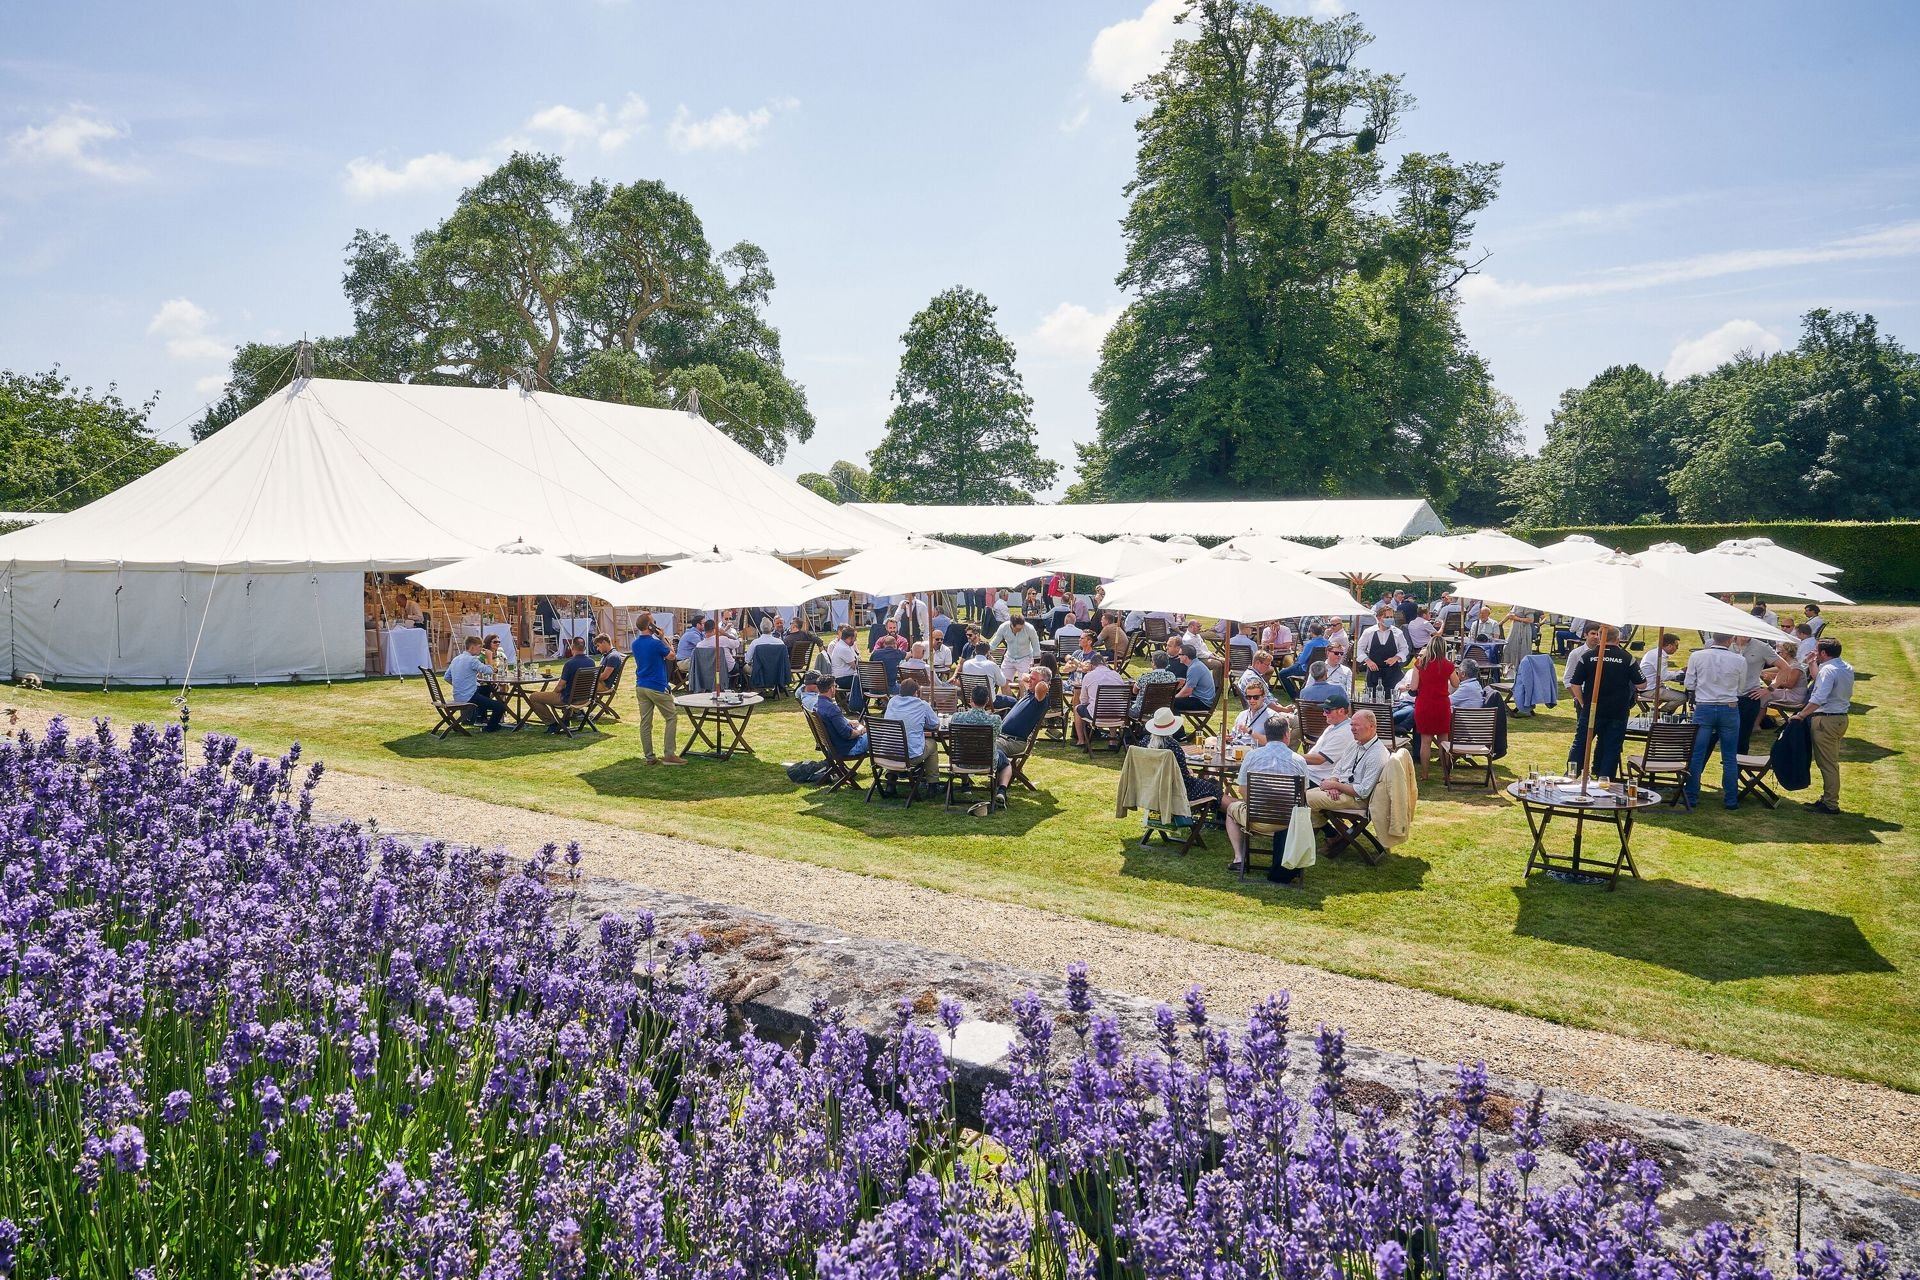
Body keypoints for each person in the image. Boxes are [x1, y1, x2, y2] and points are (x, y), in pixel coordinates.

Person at [1224, 716, 1309, 876]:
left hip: (1255, 819)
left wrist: (1256, 807)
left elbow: (1243, 790)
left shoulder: (1252, 756)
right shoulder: (1299, 761)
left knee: (1230, 809)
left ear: (1267, 734)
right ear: (1287, 734)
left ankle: (1239, 858)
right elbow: (1303, 794)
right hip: (1288, 824)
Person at [1568, 625, 1643, 782]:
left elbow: (1574, 683)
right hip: (1617, 710)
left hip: (1593, 708)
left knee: (1581, 742)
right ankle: (1605, 779)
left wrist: (1583, 702)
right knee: (1612, 745)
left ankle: (1571, 774)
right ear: (1618, 639)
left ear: (1600, 637)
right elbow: (1642, 685)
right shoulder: (1627, 658)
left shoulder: (1588, 656)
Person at [1682, 633, 1747, 809]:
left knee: (1697, 754)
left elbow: (1689, 684)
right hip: (1729, 707)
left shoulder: (1697, 656)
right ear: (1730, 640)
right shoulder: (1739, 659)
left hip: (1705, 706)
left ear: (1712, 640)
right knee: (1729, 756)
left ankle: (1691, 795)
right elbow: (1742, 688)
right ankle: (1731, 799)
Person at [1791, 637, 1853, 814]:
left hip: (1826, 720)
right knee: (1829, 762)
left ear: (1824, 653)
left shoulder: (1828, 671)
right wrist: (1812, 663)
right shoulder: (1844, 667)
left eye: (1817, 651)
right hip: (1839, 718)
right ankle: (1827, 798)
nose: (1815, 653)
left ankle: (1830, 803)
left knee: (1828, 764)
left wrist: (1801, 714)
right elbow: (1823, 681)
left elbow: (1819, 697)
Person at [1305, 708, 1388, 829]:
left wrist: (1336, 786)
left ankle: (1310, 834)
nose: (1352, 729)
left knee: (1305, 798)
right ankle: (1333, 832)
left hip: (1357, 800)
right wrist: (1334, 782)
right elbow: (1339, 768)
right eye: (1351, 725)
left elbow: (1363, 792)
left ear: (1371, 726)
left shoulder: (1377, 754)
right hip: (1344, 790)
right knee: (1303, 795)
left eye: (1357, 725)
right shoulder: (1356, 743)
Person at [629, 611, 684, 765]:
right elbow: (672, 656)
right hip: (657, 686)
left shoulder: (635, 644)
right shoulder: (655, 643)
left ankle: (649, 757)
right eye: (653, 621)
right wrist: (664, 638)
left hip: (641, 686)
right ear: (650, 625)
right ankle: (669, 754)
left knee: (645, 723)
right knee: (671, 717)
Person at [950, 681, 1013, 806]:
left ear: (970, 700)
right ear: (987, 700)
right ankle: (1002, 790)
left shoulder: (957, 717)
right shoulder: (995, 720)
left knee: (964, 749)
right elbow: (997, 735)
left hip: (962, 761)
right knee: (1006, 763)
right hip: (987, 761)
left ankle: (965, 784)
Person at [1141, 706, 1220, 806]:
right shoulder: (1173, 746)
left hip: (1150, 787)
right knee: (1214, 787)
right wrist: (1189, 773)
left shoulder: (1144, 742)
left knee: (1209, 784)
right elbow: (1185, 779)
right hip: (1177, 791)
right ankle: (1224, 817)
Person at [1406, 637, 1457, 782]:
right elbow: (1456, 683)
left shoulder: (1420, 663)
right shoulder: (1448, 665)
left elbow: (1414, 687)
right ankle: (1446, 773)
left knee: (1425, 741)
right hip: (1441, 705)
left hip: (1424, 704)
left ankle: (1424, 773)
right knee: (1444, 741)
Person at [526, 637, 599, 732]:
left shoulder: (570, 664)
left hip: (568, 699)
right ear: (584, 648)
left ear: (572, 647)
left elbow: (560, 686)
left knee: (534, 697)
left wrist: (554, 693)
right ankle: (565, 720)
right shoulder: (591, 662)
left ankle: (552, 723)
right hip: (584, 698)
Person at [446, 635, 507, 732]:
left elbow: (447, 677)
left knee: (485, 689)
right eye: (480, 647)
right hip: (470, 696)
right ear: (472, 647)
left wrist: (459, 686)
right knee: (500, 706)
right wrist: (489, 657)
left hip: (458, 695)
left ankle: (481, 718)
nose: (481, 650)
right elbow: (489, 671)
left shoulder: (456, 659)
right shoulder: (472, 660)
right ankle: (490, 728)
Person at [884, 677, 941, 773]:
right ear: (916, 692)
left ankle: (891, 779)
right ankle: (932, 783)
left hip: (888, 754)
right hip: (910, 756)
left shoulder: (892, 702)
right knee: (932, 744)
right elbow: (935, 725)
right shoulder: (922, 705)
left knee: (895, 741)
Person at [1356, 606, 1410, 701]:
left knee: (1393, 700)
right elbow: (1359, 649)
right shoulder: (1369, 632)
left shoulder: (1398, 633)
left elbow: (1405, 649)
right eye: (1387, 617)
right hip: (1374, 672)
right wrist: (1367, 660)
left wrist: (1396, 658)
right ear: (1379, 618)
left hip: (1393, 672)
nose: (1390, 619)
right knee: (1373, 699)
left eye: (1391, 617)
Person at [808, 673, 868, 757]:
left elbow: (837, 723)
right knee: (880, 734)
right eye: (835, 686)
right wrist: (861, 731)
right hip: (848, 748)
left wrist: (848, 722)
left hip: (833, 748)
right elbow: (848, 734)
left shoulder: (816, 705)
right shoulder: (832, 709)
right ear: (831, 688)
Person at [1075, 651, 1128, 746]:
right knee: (1112, 704)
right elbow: (1123, 696)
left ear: (1091, 665)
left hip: (1097, 716)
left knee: (1077, 708)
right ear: (1105, 664)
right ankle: (1113, 740)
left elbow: (1083, 700)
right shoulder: (1116, 675)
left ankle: (1081, 740)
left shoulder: (1089, 676)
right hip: (1118, 715)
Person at [1736, 632, 1777, 755]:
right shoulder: (1726, 643)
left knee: (1742, 739)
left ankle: (1738, 771)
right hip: (1726, 697)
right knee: (1715, 737)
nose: (1745, 633)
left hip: (1749, 697)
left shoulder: (1762, 647)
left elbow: (1785, 668)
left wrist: (1769, 688)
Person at [1302, 693, 1356, 784]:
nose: (1324, 714)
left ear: (1341, 711)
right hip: (1310, 773)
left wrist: (1291, 756)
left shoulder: (1343, 734)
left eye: (1327, 711)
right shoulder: (1334, 726)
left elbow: (1319, 759)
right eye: (1324, 710)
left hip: (1318, 779)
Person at [1275, 623, 1328, 699]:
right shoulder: (1327, 643)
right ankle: (1300, 690)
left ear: (1311, 632)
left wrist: (1300, 653)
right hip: (1321, 668)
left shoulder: (1310, 644)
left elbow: (1301, 661)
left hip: (1306, 669)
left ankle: (1295, 696)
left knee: (1282, 673)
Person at [990, 612, 1043, 686]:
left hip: (1025, 658)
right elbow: (993, 643)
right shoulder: (1003, 627)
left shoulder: (1030, 628)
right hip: (1009, 658)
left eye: (1022, 627)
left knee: (1023, 684)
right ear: (1011, 625)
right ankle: (1009, 697)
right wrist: (985, 652)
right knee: (1004, 683)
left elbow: (1036, 646)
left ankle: (1023, 697)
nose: (1020, 629)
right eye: (1018, 628)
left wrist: (1036, 664)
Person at [1128, 652, 1180, 721]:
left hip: (1143, 711)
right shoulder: (1171, 676)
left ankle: (1128, 729)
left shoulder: (1145, 677)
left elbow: (1134, 691)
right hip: (1163, 710)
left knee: (1125, 709)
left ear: (1153, 663)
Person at [1639, 634, 1686, 711]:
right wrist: (1681, 672)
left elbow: (1662, 673)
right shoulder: (1659, 656)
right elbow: (1664, 676)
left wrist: (1678, 672)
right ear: (1670, 645)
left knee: (1681, 695)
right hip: (1649, 689)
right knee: (1682, 697)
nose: (1677, 648)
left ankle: (1658, 712)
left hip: (1650, 687)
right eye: (1676, 646)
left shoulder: (1655, 652)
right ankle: (1659, 714)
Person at [1172, 643, 1216, 716]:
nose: (1178, 657)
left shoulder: (1194, 668)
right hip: (1203, 700)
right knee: (1172, 701)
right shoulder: (1196, 664)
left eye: (1179, 654)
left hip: (1202, 703)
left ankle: (1176, 726)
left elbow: (1187, 692)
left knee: (1171, 703)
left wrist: (1173, 698)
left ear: (1185, 656)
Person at [829, 625, 863, 706]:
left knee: (865, 680)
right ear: (850, 638)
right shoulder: (843, 648)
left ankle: (858, 703)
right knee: (866, 682)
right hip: (842, 679)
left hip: (846, 676)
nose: (856, 640)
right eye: (855, 638)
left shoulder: (846, 646)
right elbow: (855, 666)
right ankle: (857, 705)